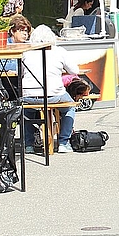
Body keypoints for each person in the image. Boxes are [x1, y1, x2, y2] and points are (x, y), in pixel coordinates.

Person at [22, 24, 80, 153]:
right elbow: (75, 70)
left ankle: (28, 144)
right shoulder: (59, 51)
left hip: (30, 95)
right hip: (54, 94)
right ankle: (63, 143)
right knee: (70, 107)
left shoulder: (26, 53)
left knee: (27, 113)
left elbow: (20, 73)